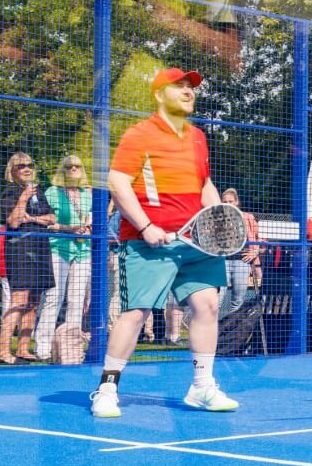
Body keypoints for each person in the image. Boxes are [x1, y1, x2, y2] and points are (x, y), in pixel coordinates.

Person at [89, 68, 237, 418]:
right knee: (135, 313)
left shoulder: (198, 137)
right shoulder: (139, 134)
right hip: (148, 243)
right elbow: (117, 182)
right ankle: (107, 388)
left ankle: (202, 387)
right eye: (180, 87)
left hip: (197, 244)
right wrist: (145, 225)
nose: (189, 92)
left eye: (191, 88)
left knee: (208, 307)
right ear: (159, 96)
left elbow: (204, 185)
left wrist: (217, 216)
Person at [34, 154, 93, 361]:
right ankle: (42, 347)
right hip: (58, 248)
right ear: (63, 170)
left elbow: (93, 219)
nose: (73, 170)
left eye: (77, 166)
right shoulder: (52, 193)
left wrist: (88, 227)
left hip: (84, 250)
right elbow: (48, 222)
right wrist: (70, 229)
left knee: (76, 301)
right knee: (54, 297)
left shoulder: (88, 194)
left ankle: (71, 348)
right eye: (69, 167)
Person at [0, 152, 56, 364]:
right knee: (19, 300)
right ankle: (3, 351)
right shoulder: (10, 192)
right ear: (12, 170)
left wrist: (32, 218)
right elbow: (13, 222)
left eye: (30, 165)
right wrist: (23, 198)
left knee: (33, 302)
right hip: (20, 250)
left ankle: (23, 349)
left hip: (40, 249)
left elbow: (51, 218)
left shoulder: (39, 192)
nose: (27, 169)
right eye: (21, 166)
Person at [217, 188, 262, 320]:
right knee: (217, 298)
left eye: (231, 201)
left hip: (242, 261)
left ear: (237, 202)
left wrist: (255, 251)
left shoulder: (247, 217)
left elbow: (262, 238)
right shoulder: (217, 218)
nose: (228, 203)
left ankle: (231, 329)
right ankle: (213, 330)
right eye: (225, 201)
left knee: (238, 299)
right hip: (222, 261)